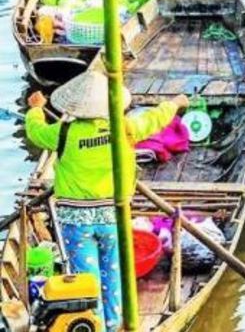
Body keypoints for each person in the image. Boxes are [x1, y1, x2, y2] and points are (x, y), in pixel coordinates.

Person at [25, 70, 189, 332]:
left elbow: (35, 132)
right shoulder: (124, 128)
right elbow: (155, 118)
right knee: (113, 274)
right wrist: (177, 102)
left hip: (75, 221)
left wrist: (36, 109)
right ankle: (112, 323)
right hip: (113, 216)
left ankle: (96, 325)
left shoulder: (64, 132)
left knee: (86, 278)